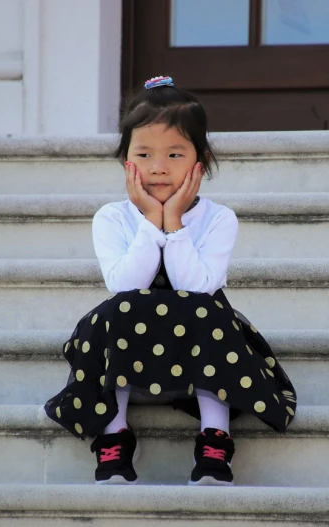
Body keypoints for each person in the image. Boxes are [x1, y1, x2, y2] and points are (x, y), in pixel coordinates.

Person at [44, 76, 297, 486]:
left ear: (202, 160)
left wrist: (174, 221)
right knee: (124, 307)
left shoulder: (217, 218)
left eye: (175, 153)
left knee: (207, 309)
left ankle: (214, 437)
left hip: (197, 341)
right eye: (144, 153)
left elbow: (195, 287)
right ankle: (115, 434)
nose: (158, 167)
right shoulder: (112, 217)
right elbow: (126, 283)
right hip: (129, 343)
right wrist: (148, 220)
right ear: (125, 160)